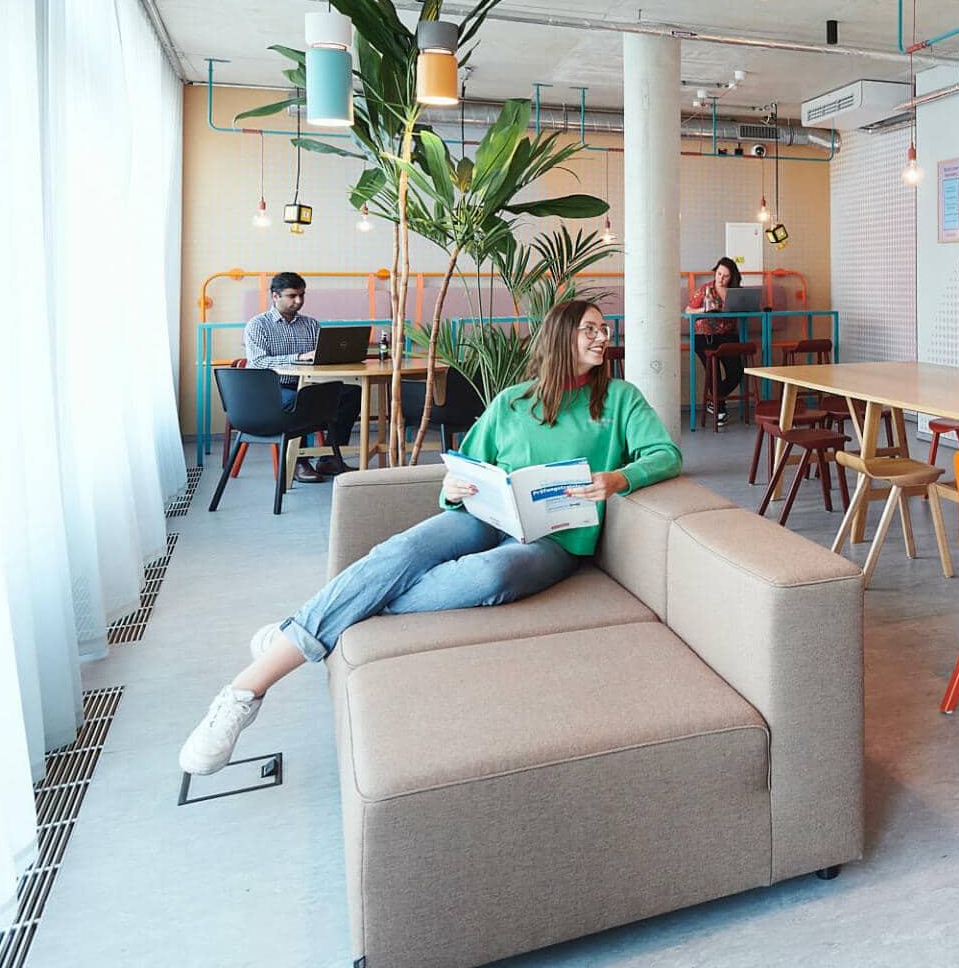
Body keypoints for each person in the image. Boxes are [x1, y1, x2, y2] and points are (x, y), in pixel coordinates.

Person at [180, 298, 683, 776]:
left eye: (604, 330)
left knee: (492, 574)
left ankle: (310, 625)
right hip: (485, 514)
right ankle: (243, 695)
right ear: (560, 337)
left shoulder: (619, 400)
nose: (603, 337)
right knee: (402, 551)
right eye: (590, 329)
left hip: (556, 539)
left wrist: (618, 479)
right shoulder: (512, 401)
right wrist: (453, 485)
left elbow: (665, 455)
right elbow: (469, 462)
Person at [242, 272, 360, 480]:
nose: (299, 301)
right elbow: (259, 362)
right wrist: (299, 357)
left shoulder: (310, 324)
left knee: (351, 393)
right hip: (273, 389)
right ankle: (298, 462)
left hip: (309, 384)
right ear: (275, 296)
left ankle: (330, 458)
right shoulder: (257, 325)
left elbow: (320, 358)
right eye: (292, 296)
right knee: (300, 400)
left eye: (302, 295)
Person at [687, 257, 750, 429]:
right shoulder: (705, 290)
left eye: (725, 276)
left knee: (737, 371)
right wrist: (705, 310)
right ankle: (720, 409)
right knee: (713, 371)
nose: (720, 279)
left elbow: (745, 310)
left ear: (732, 277)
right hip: (704, 336)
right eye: (719, 274)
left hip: (728, 336)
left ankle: (714, 402)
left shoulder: (736, 293)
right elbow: (688, 310)